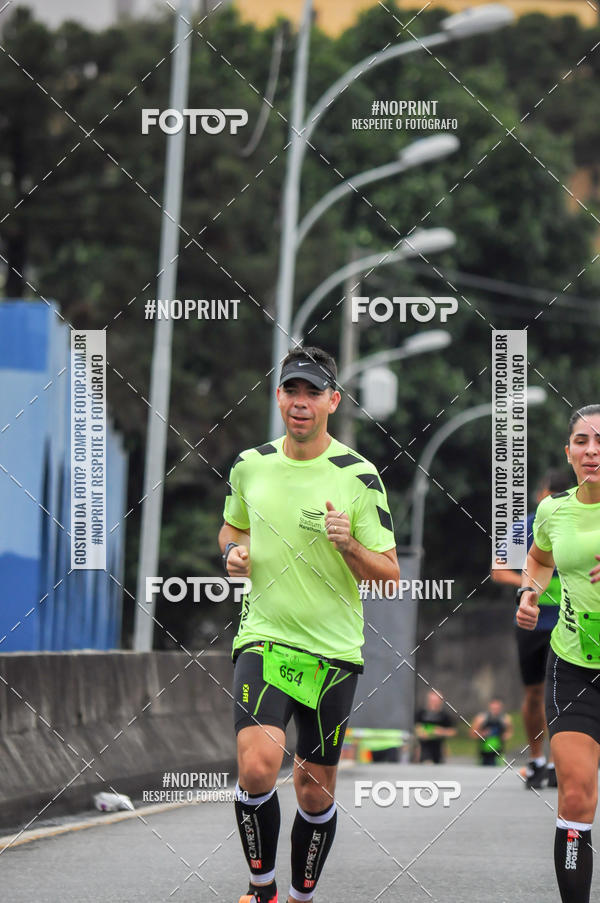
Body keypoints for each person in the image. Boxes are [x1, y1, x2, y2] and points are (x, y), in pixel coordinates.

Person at [218, 346, 399, 903]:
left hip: (333, 653)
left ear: (333, 402)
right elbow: (231, 532)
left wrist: (348, 546)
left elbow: (389, 574)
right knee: (256, 767)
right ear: (278, 398)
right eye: (292, 391)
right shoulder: (250, 465)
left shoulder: (359, 476)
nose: (301, 403)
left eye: (313, 393)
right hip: (265, 638)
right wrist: (233, 555)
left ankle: (300, 895)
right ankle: (263, 889)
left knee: (313, 792)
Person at [517, 404, 600, 903]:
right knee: (574, 794)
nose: (593, 451)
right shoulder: (553, 510)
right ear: (568, 452)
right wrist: (528, 593)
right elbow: (538, 558)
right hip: (573, 667)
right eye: (583, 442)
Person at [491, 469, 572, 788]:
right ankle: (537, 759)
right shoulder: (525, 527)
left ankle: (558, 762)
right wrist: (529, 587)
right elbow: (498, 571)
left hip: (568, 624)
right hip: (531, 622)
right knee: (535, 692)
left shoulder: (579, 524)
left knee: (564, 695)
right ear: (541, 498)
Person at [414, 690, 457, 764]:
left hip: (439, 748)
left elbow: (453, 731)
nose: (434, 703)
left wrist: (440, 732)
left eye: (436, 700)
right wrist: (421, 732)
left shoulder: (445, 715)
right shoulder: (421, 713)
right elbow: (416, 727)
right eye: (432, 700)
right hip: (423, 748)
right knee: (426, 763)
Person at [470, 698, 513, 766]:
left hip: (499, 752)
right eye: (494, 708)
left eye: (498, 708)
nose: (496, 710)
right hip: (484, 752)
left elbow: (510, 732)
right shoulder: (481, 718)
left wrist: (505, 736)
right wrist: (482, 734)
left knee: (499, 770)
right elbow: (472, 734)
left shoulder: (505, 719)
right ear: (490, 707)